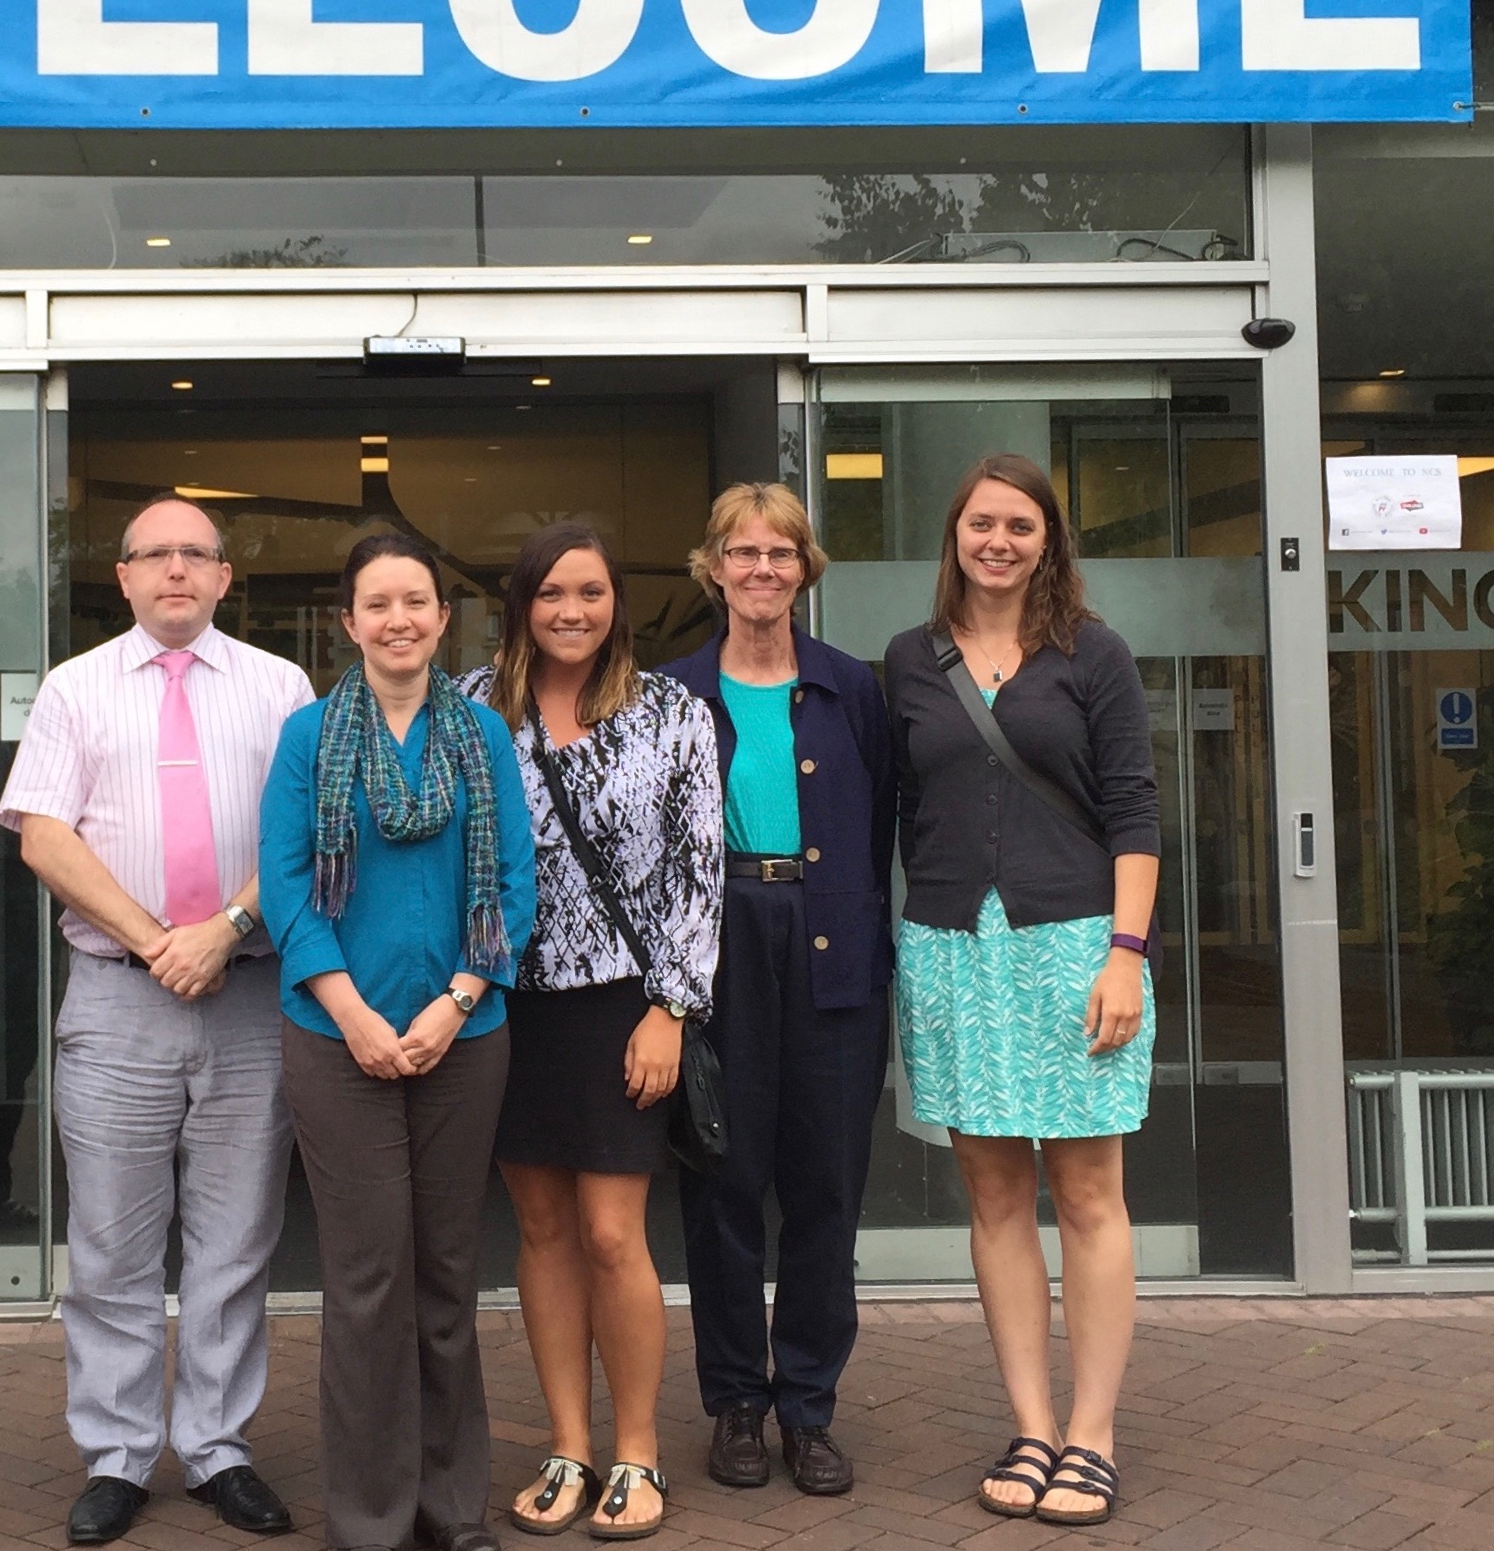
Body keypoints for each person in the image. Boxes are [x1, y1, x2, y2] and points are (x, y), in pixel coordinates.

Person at [0, 496, 314, 1546]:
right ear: (122, 577)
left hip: (250, 996)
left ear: (226, 577)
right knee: (111, 1244)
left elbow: (308, 835)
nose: (175, 570)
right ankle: (122, 1454)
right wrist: (155, 939)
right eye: (153, 556)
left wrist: (221, 930)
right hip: (117, 997)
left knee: (234, 1242)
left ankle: (219, 1448)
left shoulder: (282, 688)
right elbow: (44, 836)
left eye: (196, 555)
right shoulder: (74, 688)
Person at [884, 453, 1160, 1528]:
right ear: (953, 534)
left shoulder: (1094, 655)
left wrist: (1126, 954)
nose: (996, 541)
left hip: (1077, 945)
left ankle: (1091, 1433)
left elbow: (1134, 810)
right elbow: (901, 811)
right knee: (994, 1198)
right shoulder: (909, 660)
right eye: (979, 523)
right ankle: (1031, 1423)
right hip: (952, 949)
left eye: (1020, 526)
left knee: (1088, 1194)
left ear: (1049, 542)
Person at [259, 532, 536, 1551]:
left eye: (415, 600)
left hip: (465, 1034)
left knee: (446, 1274)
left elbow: (513, 881)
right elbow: (286, 888)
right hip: (337, 1041)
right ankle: (372, 1518)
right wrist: (357, 1015)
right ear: (348, 622)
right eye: (377, 604)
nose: (399, 620)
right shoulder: (306, 739)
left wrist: (456, 999)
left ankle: (452, 1508)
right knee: (369, 1277)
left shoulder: (485, 737)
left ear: (439, 615)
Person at [460, 524, 721, 1542]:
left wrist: (671, 1007)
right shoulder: (474, 707)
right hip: (505, 1001)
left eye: (592, 592)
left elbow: (701, 877)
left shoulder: (670, 712)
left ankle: (638, 1450)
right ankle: (568, 1444)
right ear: (521, 602)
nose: (572, 609)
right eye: (552, 592)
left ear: (617, 601)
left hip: (625, 1005)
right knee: (540, 1232)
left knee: (615, 1233)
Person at [662, 482, 895, 1498]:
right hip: (716, 955)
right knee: (719, 1185)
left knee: (823, 1192)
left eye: (781, 553)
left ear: (806, 569)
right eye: (742, 552)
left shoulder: (856, 690)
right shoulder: (668, 695)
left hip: (832, 951)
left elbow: (883, 820)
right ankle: (735, 1405)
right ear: (712, 567)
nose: (761, 569)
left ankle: (806, 1405)